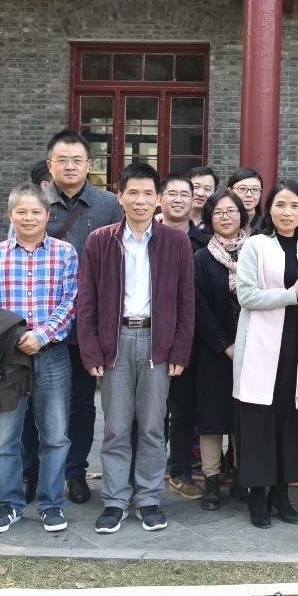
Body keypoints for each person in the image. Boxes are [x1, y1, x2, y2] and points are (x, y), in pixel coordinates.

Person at [76, 162, 195, 534]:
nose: (140, 200)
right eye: (133, 193)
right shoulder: (100, 240)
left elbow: (185, 301)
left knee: (153, 427)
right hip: (115, 342)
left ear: (158, 198)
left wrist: (179, 350)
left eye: (147, 193)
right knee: (115, 427)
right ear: (120, 196)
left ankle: (148, 499)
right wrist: (91, 349)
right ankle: (114, 500)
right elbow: (87, 301)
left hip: (158, 344)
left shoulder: (175, 242)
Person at [0, 184, 78, 534]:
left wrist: (42, 335)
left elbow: (71, 301)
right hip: (6, 359)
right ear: (10, 215)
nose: (29, 218)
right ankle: (8, 504)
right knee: (5, 436)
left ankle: (51, 504)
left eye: (36, 212)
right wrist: (15, 337)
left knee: (55, 436)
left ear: (48, 215)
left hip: (52, 355)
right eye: (22, 212)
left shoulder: (65, 253)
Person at [42, 130, 123, 506]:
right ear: (50, 165)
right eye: (62, 160)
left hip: (87, 326)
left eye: (77, 160)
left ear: (90, 165)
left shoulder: (109, 205)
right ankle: (35, 471)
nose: (70, 166)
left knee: (81, 402)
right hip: (43, 326)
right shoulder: (36, 204)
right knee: (39, 401)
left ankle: (75, 471)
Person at [232, 180, 298, 529]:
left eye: (295, 205)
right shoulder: (256, 245)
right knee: (258, 420)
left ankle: (281, 495)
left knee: (290, 420)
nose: (287, 212)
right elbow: (246, 296)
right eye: (280, 205)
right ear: (269, 210)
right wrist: (289, 294)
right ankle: (256, 495)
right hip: (260, 347)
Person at [191, 189, 248, 510]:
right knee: (212, 418)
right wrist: (225, 345)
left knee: (243, 414)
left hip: (253, 348)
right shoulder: (202, 258)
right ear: (209, 218)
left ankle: (241, 477)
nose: (226, 217)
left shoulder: (255, 251)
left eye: (232, 211)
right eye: (219, 212)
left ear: (242, 214)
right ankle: (212, 481)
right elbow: (198, 305)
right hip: (213, 352)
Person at [161, 173, 204, 500]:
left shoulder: (204, 242)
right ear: (159, 199)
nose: (178, 200)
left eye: (184, 194)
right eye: (171, 194)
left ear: (193, 200)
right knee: (147, 413)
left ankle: (179, 471)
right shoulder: (144, 238)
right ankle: (143, 473)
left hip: (192, 337)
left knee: (184, 410)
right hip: (150, 334)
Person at [187, 166, 219, 251]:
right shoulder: (167, 220)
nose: (200, 193)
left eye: (207, 189)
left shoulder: (218, 225)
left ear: (214, 193)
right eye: (196, 187)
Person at [228, 168, 264, 235]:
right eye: (242, 188)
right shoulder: (219, 223)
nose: (249, 194)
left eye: (255, 189)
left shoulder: (267, 227)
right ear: (230, 191)